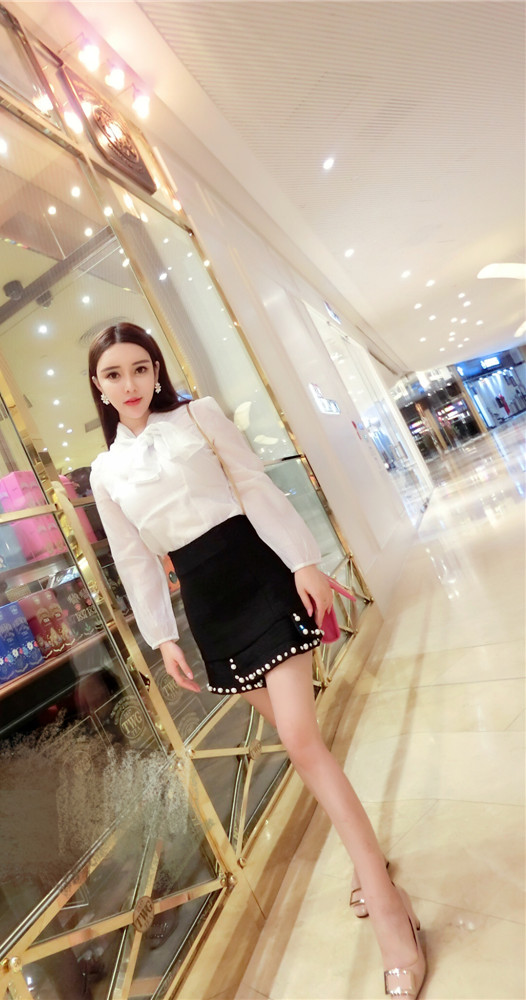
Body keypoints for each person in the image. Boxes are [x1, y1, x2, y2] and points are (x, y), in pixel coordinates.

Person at [88, 322, 426, 999]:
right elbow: (132, 557)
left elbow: (256, 488)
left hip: (257, 571)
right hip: (208, 606)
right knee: (304, 747)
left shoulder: (198, 416)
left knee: (302, 741)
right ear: (97, 387)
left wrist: (304, 561)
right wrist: (162, 636)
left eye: (139, 368)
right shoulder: (105, 471)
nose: (129, 384)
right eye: (114, 374)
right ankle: (368, 866)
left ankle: (390, 909)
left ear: (156, 370)